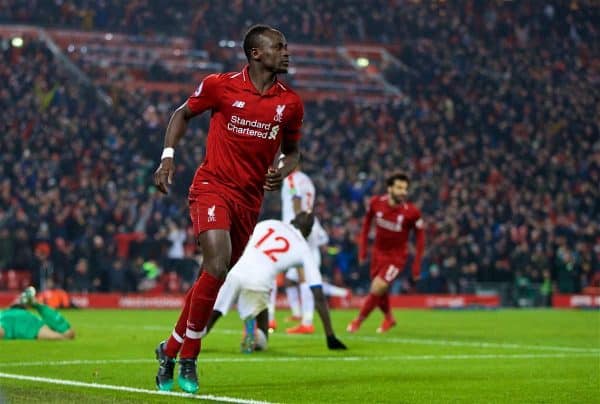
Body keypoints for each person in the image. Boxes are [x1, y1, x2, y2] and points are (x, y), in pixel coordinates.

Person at [152, 24, 303, 393]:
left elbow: (293, 153)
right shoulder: (221, 86)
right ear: (257, 53)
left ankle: (169, 349)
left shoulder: (291, 104)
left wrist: (282, 172)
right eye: (279, 47)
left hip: (250, 200)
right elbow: (181, 114)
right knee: (216, 264)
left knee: (212, 274)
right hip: (212, 187)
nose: (286, 52)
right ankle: (189, 356)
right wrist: (168, 157)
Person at [205, 212, 347, 352]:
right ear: (308, 232)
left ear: (292, 221)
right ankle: (254, 333)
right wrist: (330, 335)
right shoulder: (303, 249)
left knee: (211, 317)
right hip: (258, 282)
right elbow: (318, 294)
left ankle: (190, 336)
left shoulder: (269, 223)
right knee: (262, 335)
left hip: (235, 272)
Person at [270, 167, 348, 334]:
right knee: (298, 275)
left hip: (298, 226)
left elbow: (296, 199)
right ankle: (299, 316)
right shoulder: (307, 180)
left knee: (288, 270)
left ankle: (304, 321)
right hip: (310, 224)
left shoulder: (291, 180)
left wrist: (298, 225)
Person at [347, 173, 425, 333]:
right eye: (399, 188)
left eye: (405, 189)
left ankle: (357, 321)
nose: (403, 192)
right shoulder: (376, 203)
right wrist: (362, 251)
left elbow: (420, 240)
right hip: (377, 254)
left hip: (396, 257)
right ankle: (389, 318)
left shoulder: (412, 213)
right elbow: (366, 225)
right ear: (390, 188)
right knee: (380, 291)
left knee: (378, 286)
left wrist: (416, 266)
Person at [0, 287, 75, 340]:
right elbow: (68, 333)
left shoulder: (3, 314)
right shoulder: (33, 319)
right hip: (28, 323)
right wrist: (38, 306)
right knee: (65, 336)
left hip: (6, 321)